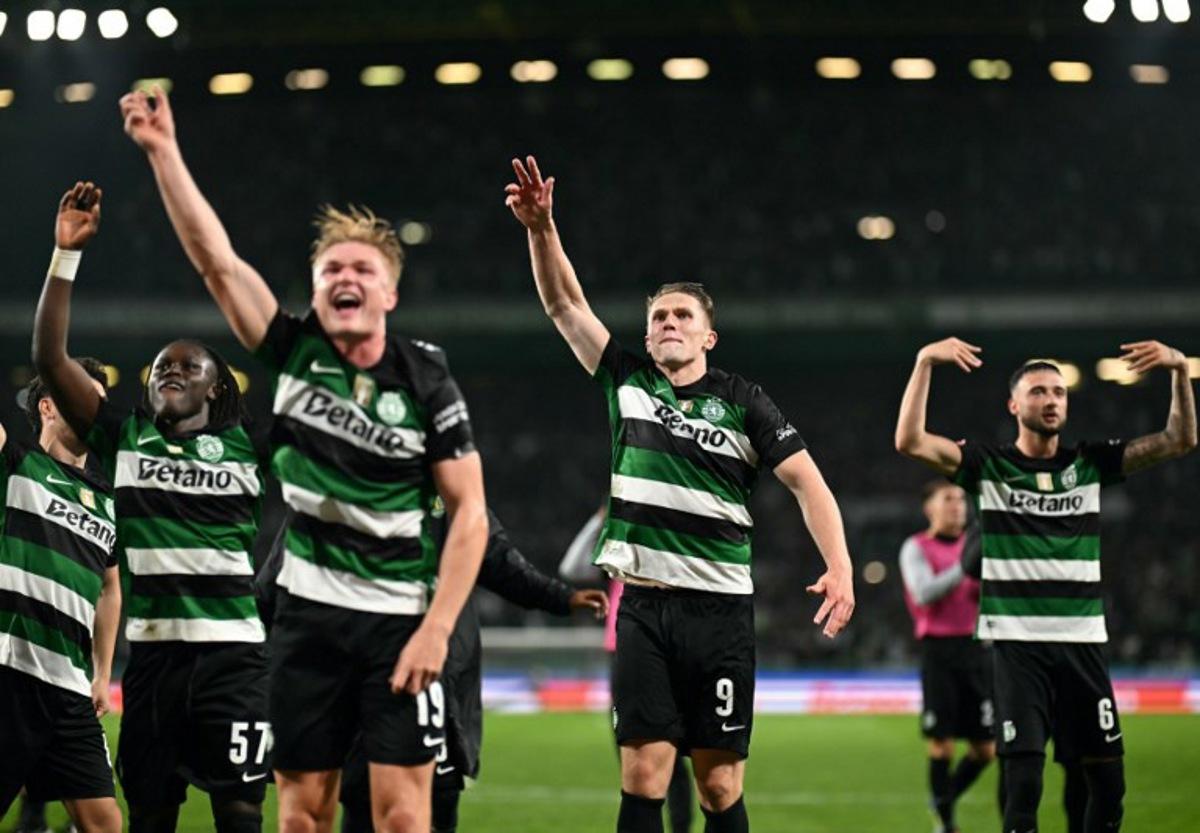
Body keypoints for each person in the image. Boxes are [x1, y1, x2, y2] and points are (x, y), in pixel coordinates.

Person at [120, 86, 488, 833]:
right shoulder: (292, 354)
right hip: (309, 623)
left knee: (402, 817)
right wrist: (164, 153)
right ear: (316, 290)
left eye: (361, 269)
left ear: (388, 288)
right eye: (330, 270)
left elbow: (471, 512)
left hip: (397, 620)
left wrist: (436, 628)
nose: (345, 278)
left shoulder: (426, 378)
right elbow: (218, 265)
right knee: (301, 817)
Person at [505, 155, 855, 833]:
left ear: (707, 334)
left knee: (720, 785)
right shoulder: (627, 379)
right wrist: (542, 229)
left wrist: (839, 563)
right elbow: (563, 305)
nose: (669, 321)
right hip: (643, 608)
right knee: (642, 776)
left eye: (682, 314)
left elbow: (808, 482)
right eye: (659, 314)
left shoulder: (744, 400)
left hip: (720, 612)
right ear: (645, 333)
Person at [32, 181, 271, 833]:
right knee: (150, 812)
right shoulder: (125, 432)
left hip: (234, 661)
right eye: (162, 366)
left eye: (188, 366)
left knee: (241, 812)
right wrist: (64, 257)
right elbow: (49, 358)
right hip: (154, 660)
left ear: (215, 386)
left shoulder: (251, 447)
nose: (171, 370)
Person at [895, 337, 1197, 833]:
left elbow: (1179, 439)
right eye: (1038, 392)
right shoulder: (990, 466)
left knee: (1108, 788)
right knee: (1024, 787)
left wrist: (1180, 371)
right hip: (1019, 650)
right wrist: (924, 359)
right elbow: (910, 440)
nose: (1051, 400)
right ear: (1014, 405)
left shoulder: (1091, 464)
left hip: (1083, 646)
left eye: (1058, 392)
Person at [335, 506, 609, 833]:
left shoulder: (452, 493)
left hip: (439, 676)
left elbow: (498, 560)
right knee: (361, 798)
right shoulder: (348, 481)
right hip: (364, 669)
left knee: (434, 804)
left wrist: (560, 598)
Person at [0, 342, 121, 833]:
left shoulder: (108, 500)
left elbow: (110, 588)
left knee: (104, 823)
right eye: (79, 396)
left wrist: (102, 672)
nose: (93, 409)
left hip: (70, 688)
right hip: (8, 672)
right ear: (47, 405)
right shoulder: (17, 463)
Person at [561, 505, 695, 833]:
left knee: (671, 757)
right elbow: (572, 567)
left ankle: (680, 828)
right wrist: (596, 521)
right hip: (623, 654)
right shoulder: (618, 548)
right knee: (632, 758)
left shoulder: (662, 541)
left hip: (665, 652)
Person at [898, 481, 994, 833]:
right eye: (948, 499)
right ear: (930, 508)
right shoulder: (916, 547)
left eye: (961, 499)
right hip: (939, 651)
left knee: (986, 749)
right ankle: (947, 824)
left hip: (977, 649)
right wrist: (965, 567)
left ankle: (943, 798)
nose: (958, 505)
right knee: (942, 743)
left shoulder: (979, 544)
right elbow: (923, 593)